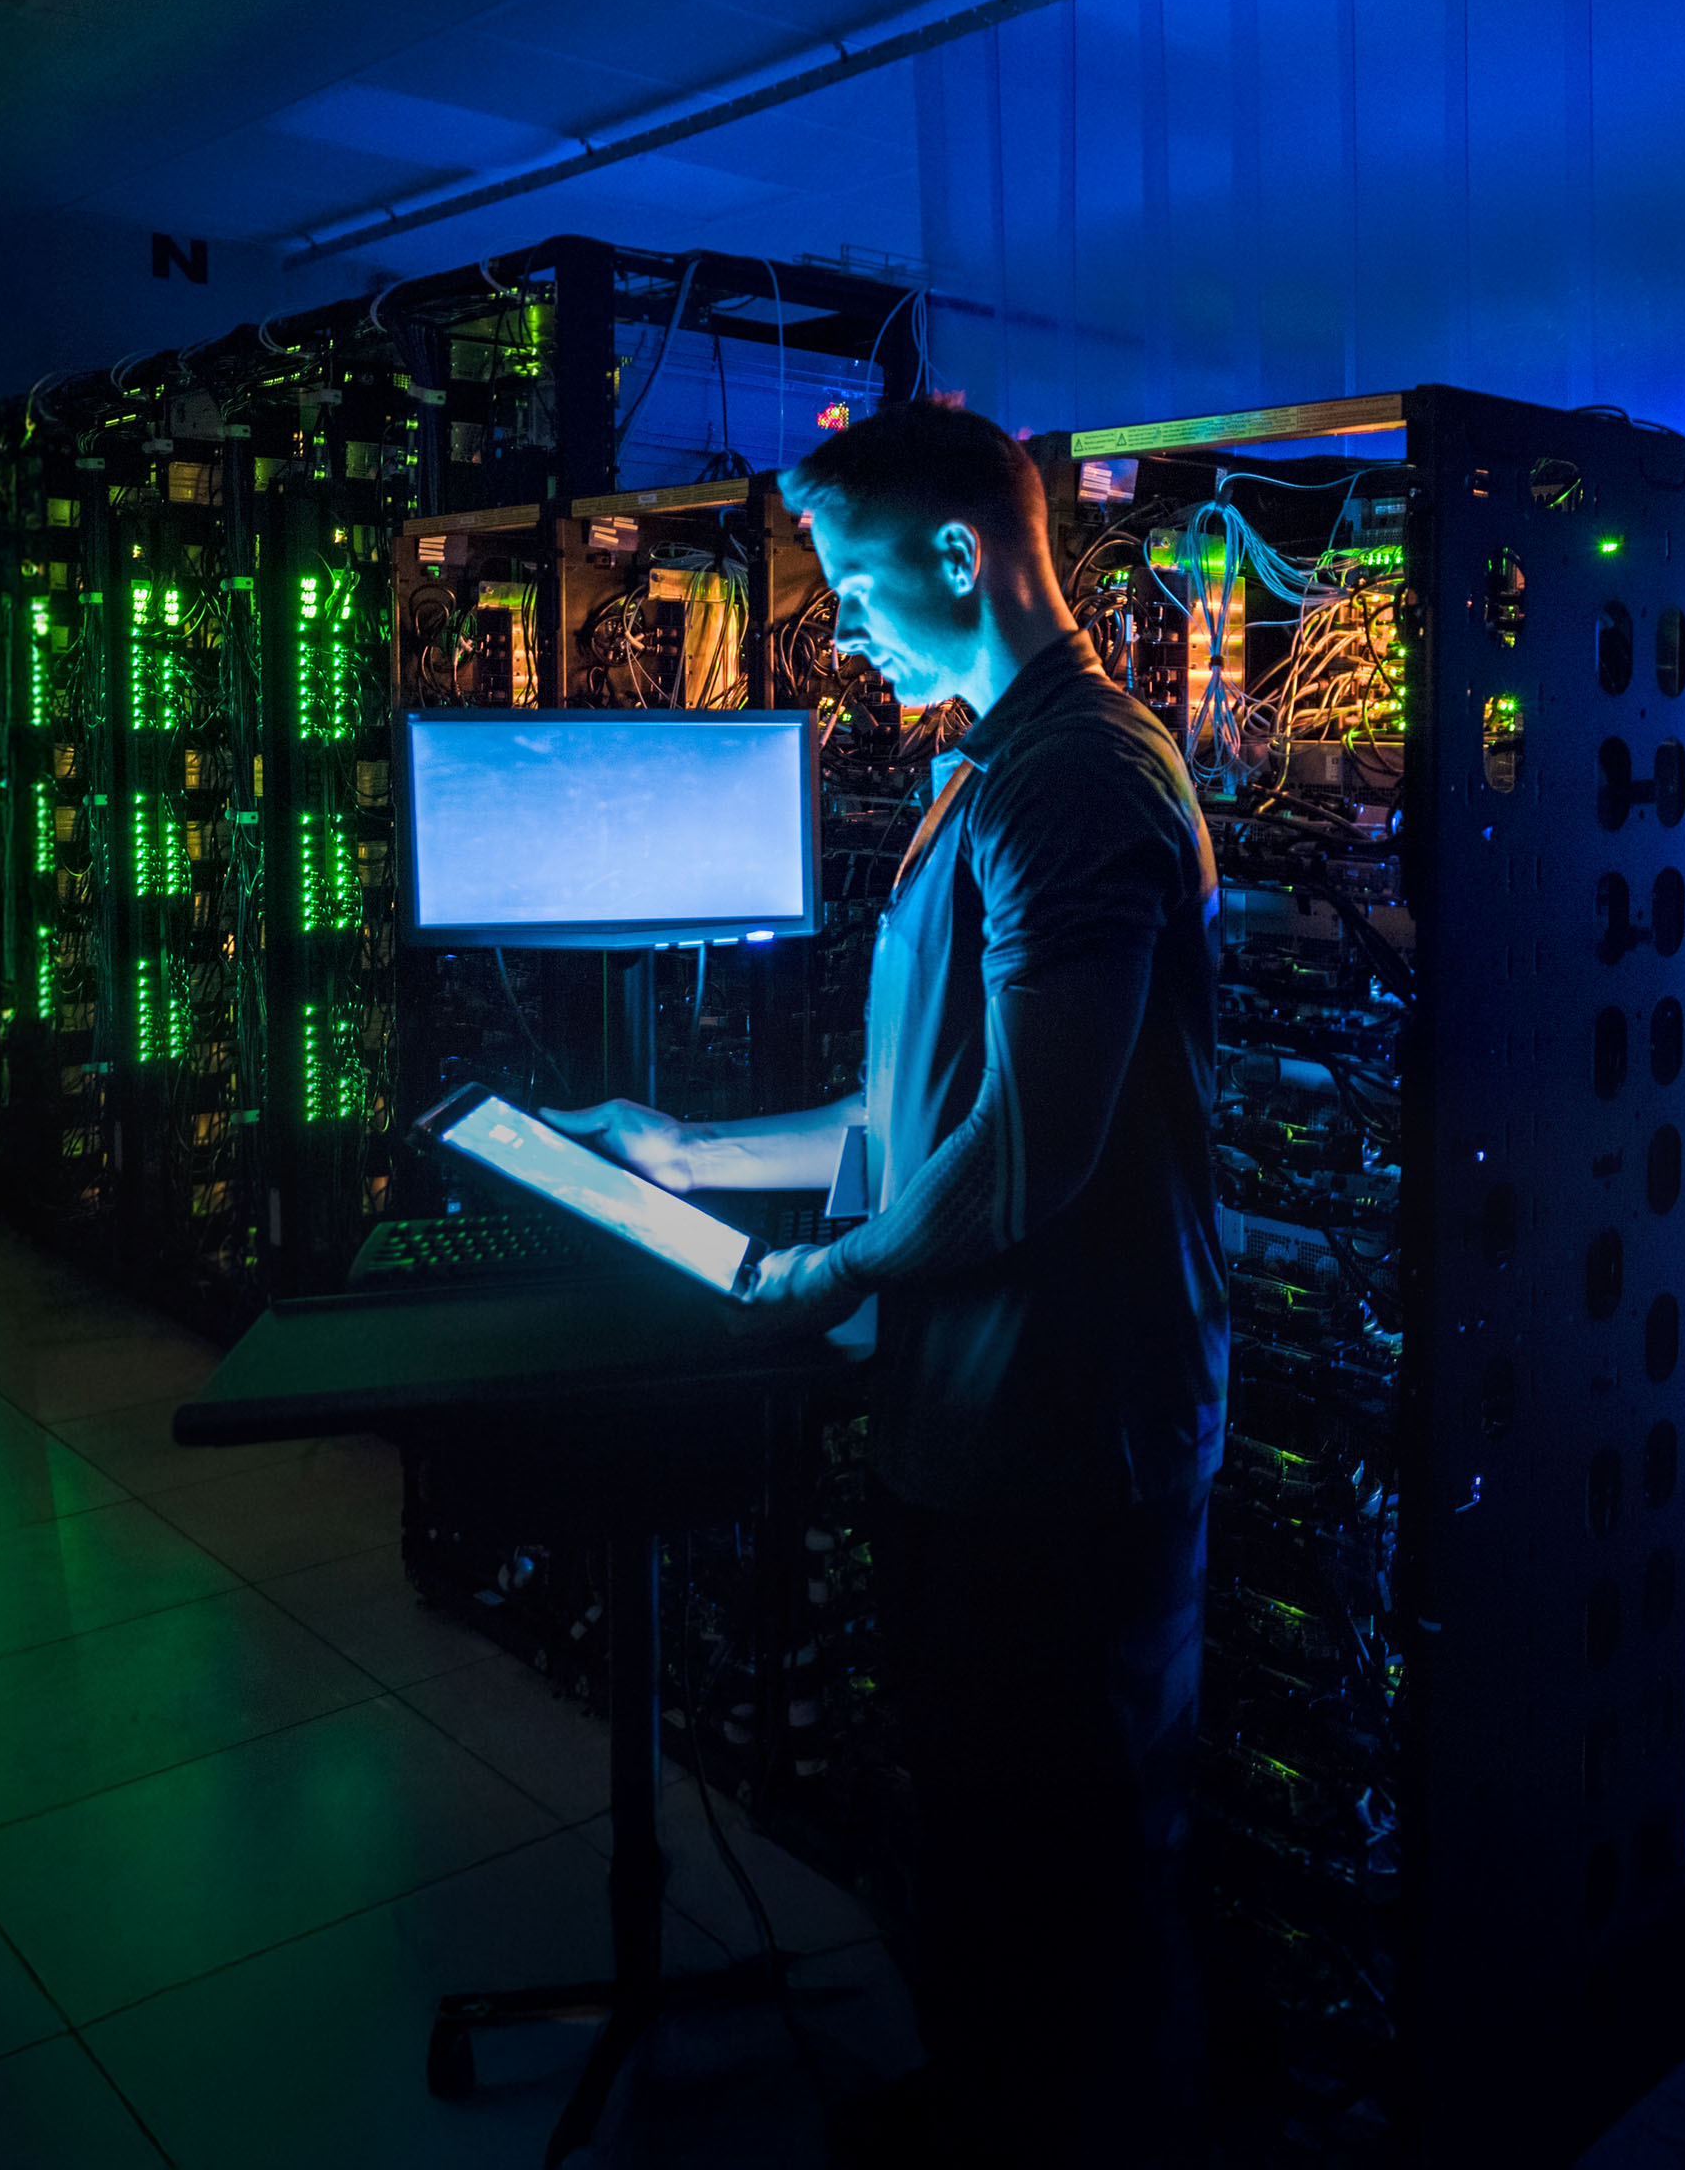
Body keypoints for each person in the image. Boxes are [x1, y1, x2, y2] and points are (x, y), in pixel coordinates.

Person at [548, 400, 1223, 2166]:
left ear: (959, 557)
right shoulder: (987, 774)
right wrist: (695, 1153)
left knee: (1071, 1858)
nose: (835, 625)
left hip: (1066, 1441)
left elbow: (1021, 1159)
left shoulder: (1073, 778)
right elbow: (904, 1104)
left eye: (852, 583)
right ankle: (988, 2112)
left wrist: (818, 1275)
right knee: (992, 1838)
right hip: (973, 1421)